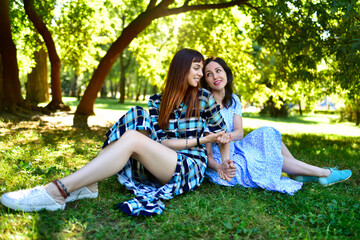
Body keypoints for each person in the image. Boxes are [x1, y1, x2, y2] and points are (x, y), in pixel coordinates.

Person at [0, 49, 232, 216]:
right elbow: (162, 144)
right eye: (197, 68)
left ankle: (58, 190)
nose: (202, 74)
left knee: (132, 138)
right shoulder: (157, 101)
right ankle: (87, 184)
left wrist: (224, 161)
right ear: (182, 69)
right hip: (162, 159)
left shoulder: (203, 98)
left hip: (188, 167)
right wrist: (201, 139)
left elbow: (222, 134)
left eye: (202, 69)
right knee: (136, 115)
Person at [200, 57, 352, 195]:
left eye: (218, 71)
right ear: (206, 81)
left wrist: (229, 135)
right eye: (209, 74)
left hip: (237, 145)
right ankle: (324, 173)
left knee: (268, 132)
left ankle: (298, 171)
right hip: (225, 160)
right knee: (265, 158)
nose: (215, 77)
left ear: (226, 73)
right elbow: (209, 155)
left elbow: (239, 133)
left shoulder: (233, 99)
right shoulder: (205, 105)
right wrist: (221, 166)